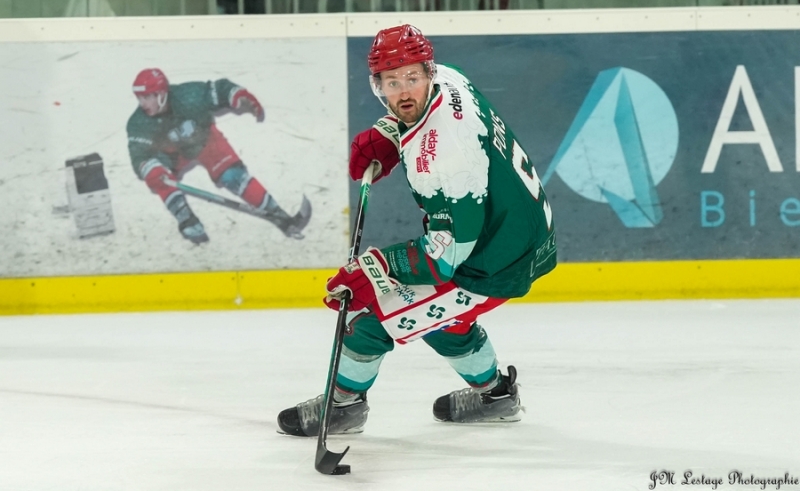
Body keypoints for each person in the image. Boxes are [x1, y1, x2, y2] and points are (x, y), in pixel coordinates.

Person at [277, 24, 556, 436]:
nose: (404, 91)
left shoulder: (443, 158)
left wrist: (375, 270)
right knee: (443, 319)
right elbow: (427, 120)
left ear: (428, 72)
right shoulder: (451, 77)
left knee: (371, 317)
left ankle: (343, 406)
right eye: (392, 81)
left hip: (493, 259)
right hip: (522, 230)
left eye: (411, 78)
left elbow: (445, 258)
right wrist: (392, 133)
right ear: (379, 86)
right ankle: (496, 397)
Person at [126, 68, 308, 244]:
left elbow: (219, 89)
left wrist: (239, 96)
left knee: (232, 176)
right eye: (139, 97)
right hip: (172, 153)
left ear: (162, 94)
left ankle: (278, 214)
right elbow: (139, 154)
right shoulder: (138, 122)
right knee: (159, 177)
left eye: (147, 97)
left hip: (204, 140)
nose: (142, 103)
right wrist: (149, 169)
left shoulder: (188, 95)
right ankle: (187, 219)